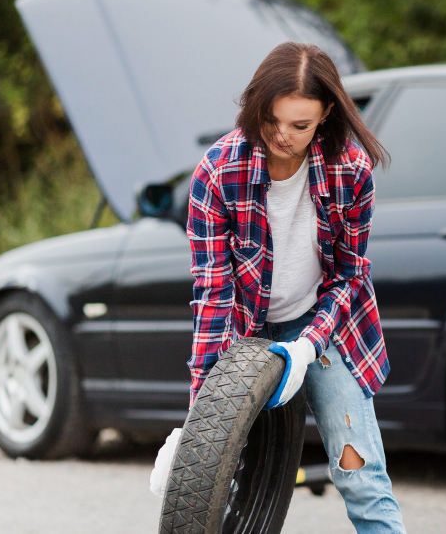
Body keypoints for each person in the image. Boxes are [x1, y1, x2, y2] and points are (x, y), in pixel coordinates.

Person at [162, 41, 406, 534]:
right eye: (273, 120)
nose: (283, 136)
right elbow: (213, 292)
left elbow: (350, 274)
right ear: (257, 105)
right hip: (245, 327)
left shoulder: (351, 170)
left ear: (326, 114)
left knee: (361, 477)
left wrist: (308, 345)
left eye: (301, 125)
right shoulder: (218, 171)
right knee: (222, 482)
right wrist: (202, 421)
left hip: (325, 324)